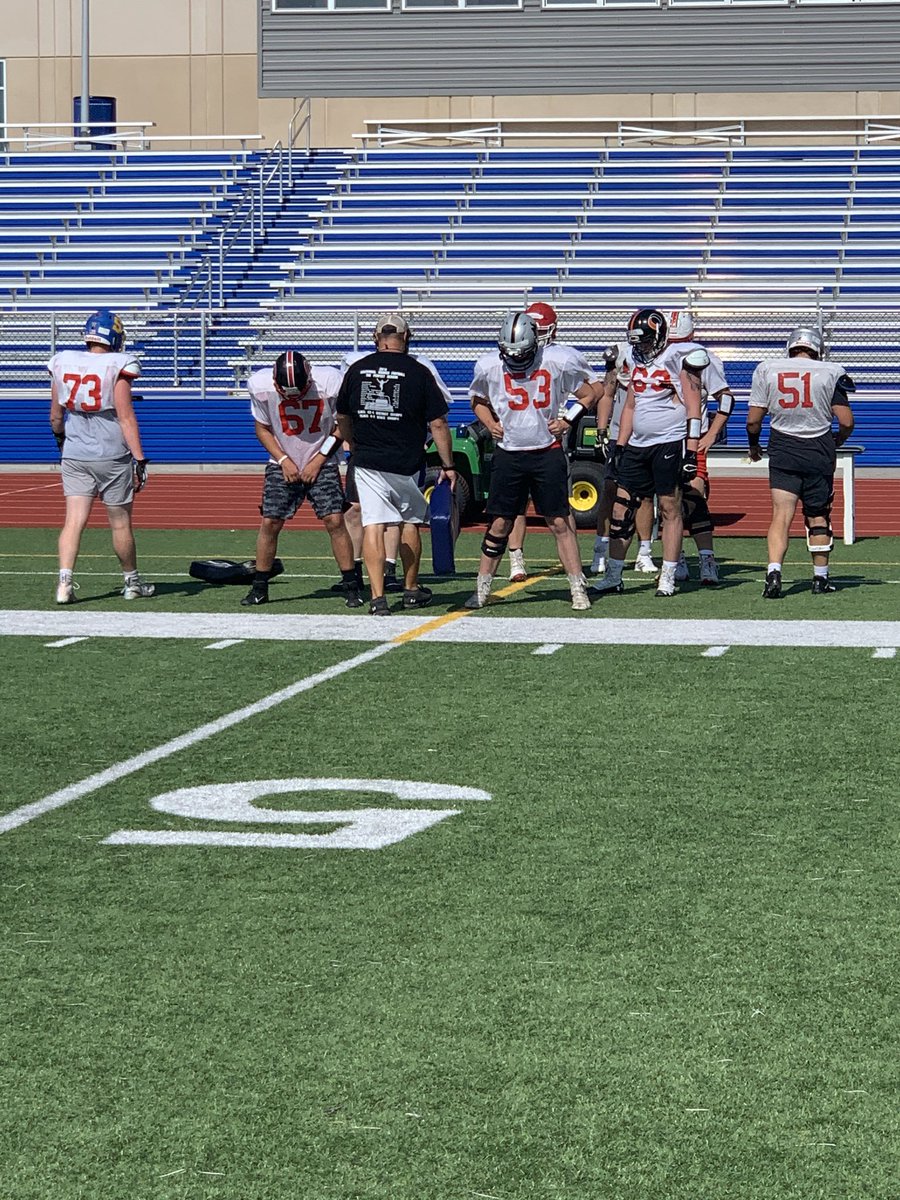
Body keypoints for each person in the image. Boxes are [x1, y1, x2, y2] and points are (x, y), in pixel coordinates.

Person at [465, 310, 596, 611]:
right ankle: (482, 589)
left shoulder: (556, 360)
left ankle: (578, 587)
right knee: (499, 523)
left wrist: (568, 420)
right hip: (509, 453)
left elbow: (591, 393)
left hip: (546, 452)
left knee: (560, 521)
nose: (516, 360)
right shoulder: (488, 366)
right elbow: (476, 400)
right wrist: (489, 422)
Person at [335, 313, 456, 616]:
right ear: (407, 337)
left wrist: (353, 444)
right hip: (406, 460)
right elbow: (438, 423)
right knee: (410, 523)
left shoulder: (357, 369)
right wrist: (448, 465)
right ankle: (411, 589)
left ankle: (378, 599)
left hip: (368, 460)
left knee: (374, 524)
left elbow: (343, 417)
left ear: (376, 338)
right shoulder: (419, 370)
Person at [592, 307, 705, 599]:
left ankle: (667, 575)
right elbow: (630, 405)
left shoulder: (678, 359)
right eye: (636, 341)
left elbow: (693, 408)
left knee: (669, 507)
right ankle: (614, 575)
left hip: (669, 442)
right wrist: (620, 445)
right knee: (621, 508)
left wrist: (691, 452)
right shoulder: (632, 359)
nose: (639, 346)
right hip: (637, 445)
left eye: (644, 340)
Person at [48, 308, 154, 604]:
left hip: (75, 451)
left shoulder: (63, 361)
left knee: (73, 521)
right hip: (111, 453)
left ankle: (64, 583)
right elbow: (126, 417)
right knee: (120, 522)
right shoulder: (117, 363)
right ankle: (131, 582)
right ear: (115, 336)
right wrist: (140, 459)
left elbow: (56, 416)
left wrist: (62, 441)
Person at [241, 350, 359, 608]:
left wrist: (318, 460)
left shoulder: (330, 382)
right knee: (270, 522)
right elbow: (262, 428)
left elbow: (342, 425)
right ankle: (259, 587)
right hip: (283, 462)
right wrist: (284, 460)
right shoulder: (260, 386)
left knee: (335, 520)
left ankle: (351, 585)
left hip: (322, 459)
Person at [746, 326, 855, 598]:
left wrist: (753, 445)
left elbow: (752, 420)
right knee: (818, 515)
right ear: (817, 349)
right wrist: (837, 440)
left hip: (783, 446)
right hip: (818, 448)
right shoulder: (830, 371)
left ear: (791, 347)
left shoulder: (767, 368)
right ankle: (820, 578)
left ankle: (773, 572)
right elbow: (846, 421)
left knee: (781, 515)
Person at [505, 301, 605, 582]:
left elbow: (594, 389)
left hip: (549, 440)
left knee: (559, 507)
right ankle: (516, 559)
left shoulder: (562, 357)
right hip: (516, 438)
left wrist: (569, 418)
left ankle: (572, 567)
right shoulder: (506, 357)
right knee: (516, 504)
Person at [666, 310, 736, 586]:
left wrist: (710, 434)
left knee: (679, 500)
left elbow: (725, 399)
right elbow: (727, 400)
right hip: (675, 437)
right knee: (690, 499)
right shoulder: (701, 355)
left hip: (678, 438)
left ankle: (691, 558)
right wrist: (712, 435)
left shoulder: (665, 357)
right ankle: (697, 558)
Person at [590, 341, 659, 577]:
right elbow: (607, 394)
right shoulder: (621, 354)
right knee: (610, 490)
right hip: (620, 434)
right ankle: (601, 549)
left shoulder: (664, 357)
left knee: (645, 496)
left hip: (647, 435)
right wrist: (602, 428)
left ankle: (644, 552)